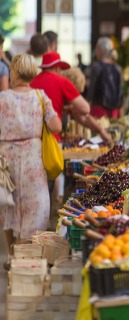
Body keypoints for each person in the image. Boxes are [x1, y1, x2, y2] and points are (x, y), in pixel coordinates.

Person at [0, 54, 62, 268]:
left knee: (8, 205)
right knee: (36, 208)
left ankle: (11, 254)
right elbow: (56, 127)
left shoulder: (3, 98)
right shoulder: (40, 96)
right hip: (32, 161)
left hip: (6, 160)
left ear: (14, 72)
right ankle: (24, 254)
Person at [87, 37, 123, 119]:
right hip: (114, 110)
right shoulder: (117, 68)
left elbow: (91, 90)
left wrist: (87, 104)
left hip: (98, 110)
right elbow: (120, 92)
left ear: (101, 50)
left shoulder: (96, 67)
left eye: (97, 48)